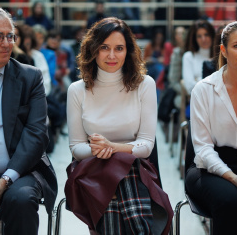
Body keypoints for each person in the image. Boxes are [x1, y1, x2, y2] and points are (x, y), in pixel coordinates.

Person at [65, 17, 173, 234]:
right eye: (105, 47)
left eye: (119, 48)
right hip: (92, 169)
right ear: (93, 49)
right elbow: (77, 148)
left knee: (124, 173)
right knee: (119, 176)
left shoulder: (144, 85)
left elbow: (146, 146)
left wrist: (112, 147)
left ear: (128, 51)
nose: (112, 55)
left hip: (136, 170)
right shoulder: (77, 90)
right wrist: (99, 150)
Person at [0, 6, 57, 234]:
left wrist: (3, 182)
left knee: (21, 199)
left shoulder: (29, 77)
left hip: (19, 171)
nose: (7, 43)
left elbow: (36, 135)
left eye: (10, 36)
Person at [185, 21, 237, 235]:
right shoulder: (204, 90)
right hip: (209, 168)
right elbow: (202, 150)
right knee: (231, 202)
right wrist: (232, 177)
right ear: (224, 50)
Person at [182, 20, 215, 95]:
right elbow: (190, 88)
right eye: (199, 36)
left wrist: (198, 80)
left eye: (206, 35)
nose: (203, 39)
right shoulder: (189, 56)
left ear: (212, 36)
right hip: (197, 100)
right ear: (195, 39)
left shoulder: (219, 55)